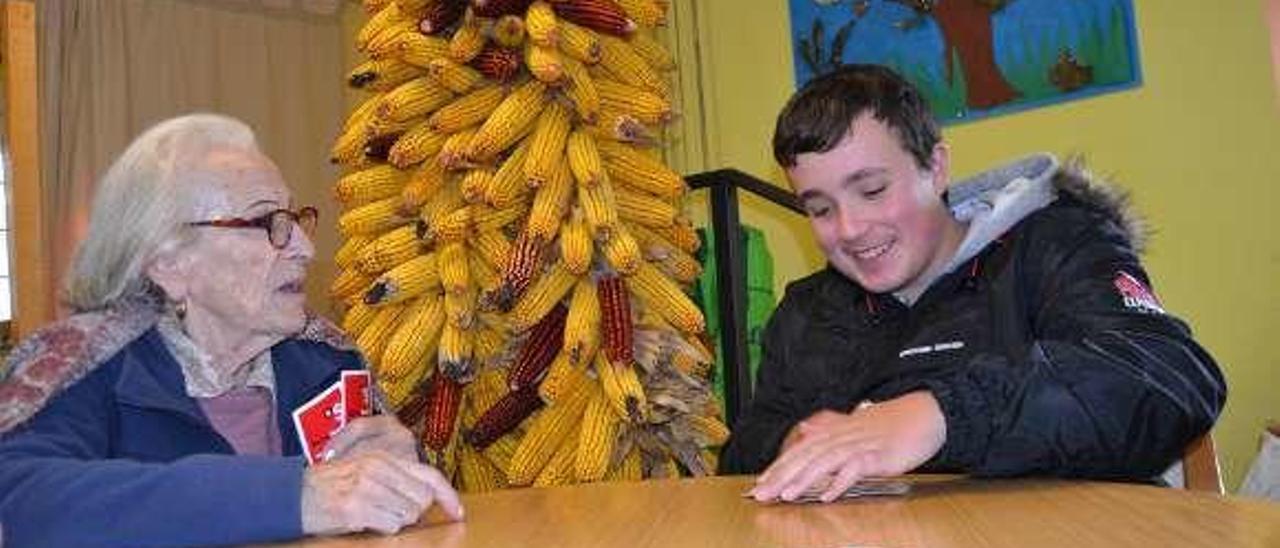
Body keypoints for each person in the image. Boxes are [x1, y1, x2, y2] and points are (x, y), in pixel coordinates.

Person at [719, 65, 1226, 503]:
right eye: (820, 209)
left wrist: (938, 415)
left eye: (872, 190)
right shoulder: (808, 310)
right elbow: (744, 448)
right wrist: (797, 445)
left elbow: (1169, 377)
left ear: (936, 167)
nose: (849, 229)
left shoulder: (1055, 243)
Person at [0, 114, 463, 546]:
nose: (303, 246)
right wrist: (293, 496)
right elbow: (23, 500)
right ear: (169, 263)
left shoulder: (327, 362)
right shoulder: (85, 364)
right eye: (267, 222)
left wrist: (402, 472)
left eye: (295, 219)